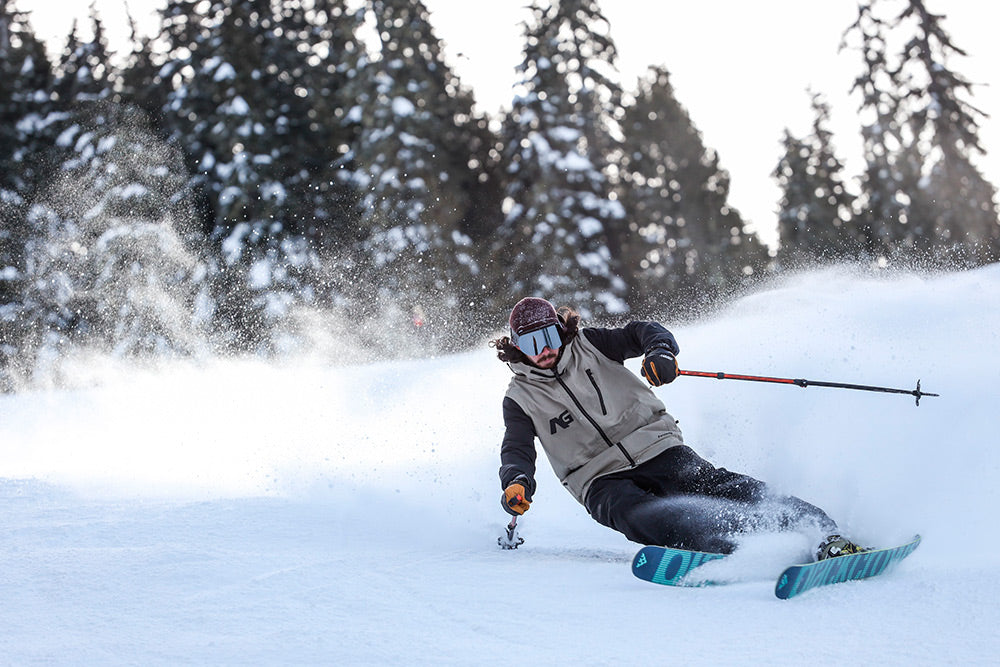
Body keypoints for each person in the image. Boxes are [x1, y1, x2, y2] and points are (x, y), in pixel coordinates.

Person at [491, 297, 865, 560]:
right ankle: (739, 545)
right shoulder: (520, 397)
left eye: (550, 337)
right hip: (597, 479)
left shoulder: (591, 345)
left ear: (561, 330)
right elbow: (517, 449)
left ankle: (820, 530)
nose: (544, 350)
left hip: (656, 445)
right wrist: (516, 481)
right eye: (532, 343)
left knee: (716, 486)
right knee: (640, 514)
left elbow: (643, 331)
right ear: (517, 347)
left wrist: (660, 352)